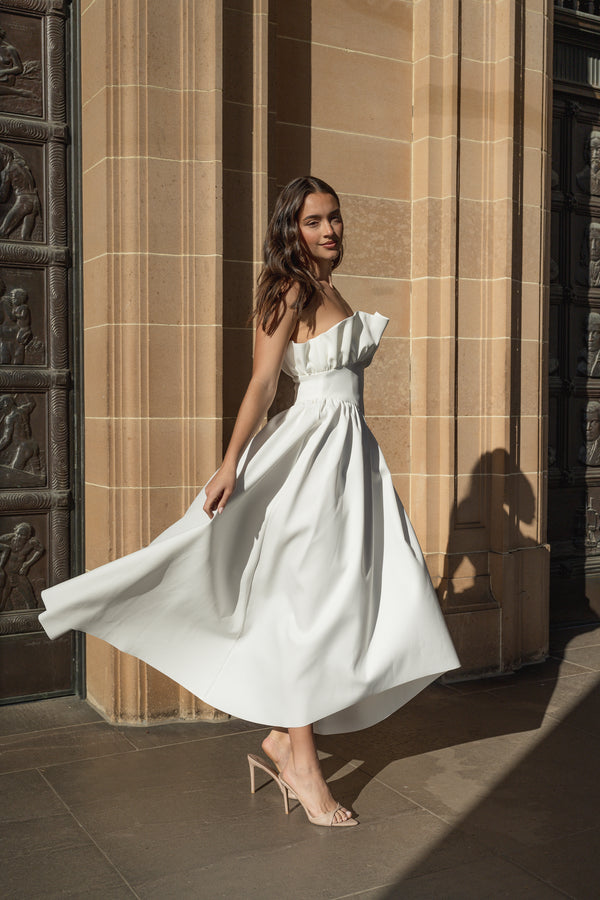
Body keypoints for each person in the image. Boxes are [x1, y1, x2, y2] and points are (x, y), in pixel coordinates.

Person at [40, 176, 460, 828]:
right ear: (292, 228)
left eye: (334, 218)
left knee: (343, 600)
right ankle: (304, 765)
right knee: (307, 607)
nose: (330, 230)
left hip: (351, 461)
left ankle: (285, 742)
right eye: (315, 221)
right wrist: (230, 462)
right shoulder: (289, 289)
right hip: (312, 459)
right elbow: (263, 384)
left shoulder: (328, 287)